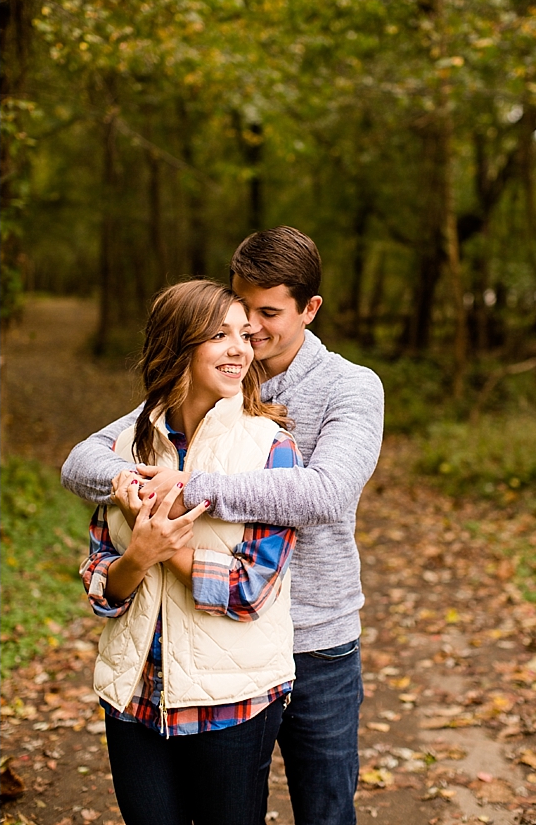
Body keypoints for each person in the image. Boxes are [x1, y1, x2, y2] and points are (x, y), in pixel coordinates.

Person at [62, 226, 385, 825]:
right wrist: (133, 486)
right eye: (239, 312)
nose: (251, 331)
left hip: (316, 638)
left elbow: (326, 493)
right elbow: (83, 460)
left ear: (309, 309)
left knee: (326, 809)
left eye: (268, 313)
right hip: (211, 645)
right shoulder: (207, 379)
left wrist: (187, 487)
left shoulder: (350, 387)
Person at [81, 279, 301, 825]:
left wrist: (164, 550)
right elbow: (101, 586)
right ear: (177, 345)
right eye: (219, 336)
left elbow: (250, 590)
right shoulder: (124, 449)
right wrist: (137, 556)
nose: (240, 349)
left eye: (244, 336)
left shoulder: (270, 447)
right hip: (134, 698)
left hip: (232, 702)